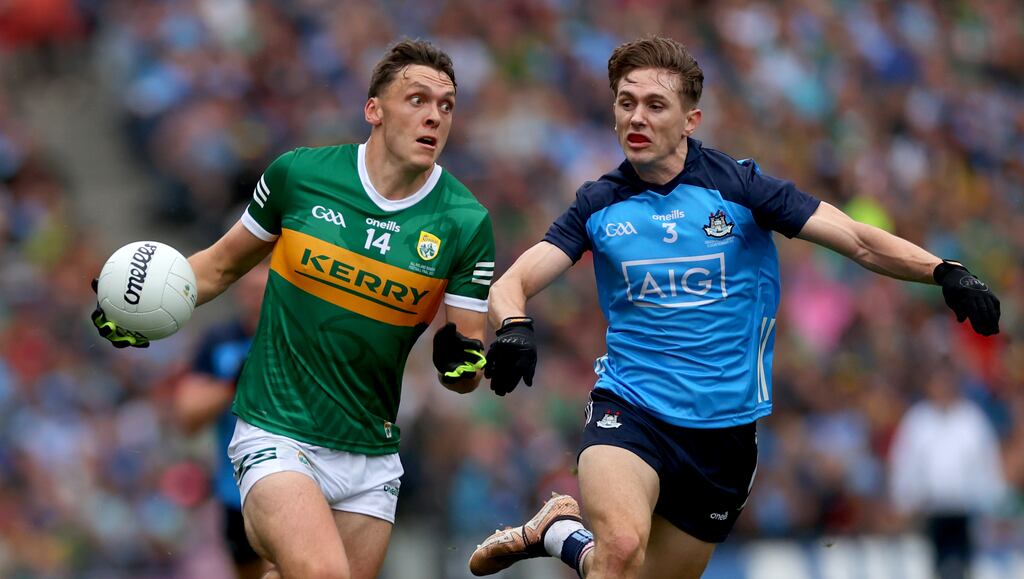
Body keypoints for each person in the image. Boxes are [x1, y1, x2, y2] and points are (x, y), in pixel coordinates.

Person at [468, 36, 1000, 579]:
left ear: (691, 119)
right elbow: (514, 281)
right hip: (630, 409)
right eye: (626, 102)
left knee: (627, 571)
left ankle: (558, 531)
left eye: (655, 105)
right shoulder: (598, 203)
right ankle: (574, 532)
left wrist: (945, 271)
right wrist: (513, 325)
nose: (637, 117)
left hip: (724, 438)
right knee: (622, 550)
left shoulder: (740, 188)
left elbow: (857, 240)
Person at [92, 39, 496, 579]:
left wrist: (464, 363)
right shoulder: (300, 177)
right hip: (276, 430)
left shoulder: (465, 223)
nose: (434, 116)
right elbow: (216, 267)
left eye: (446, 105)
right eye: (417, 99)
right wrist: (134, 305)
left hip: (370, 453)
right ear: (373, 110)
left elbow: (465, 366)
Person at [174, 263, 270, 579]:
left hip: (304, 482)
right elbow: (187, 415)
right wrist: (232, 386)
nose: (255, 292)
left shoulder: (304, 341)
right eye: (249, 284)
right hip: (236, 494)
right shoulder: (219, 341)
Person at [888, 358, 1007, 579]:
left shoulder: (972, 420)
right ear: (929, 385)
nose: (943, 387)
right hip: (928, 516)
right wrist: (904, 503)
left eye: (947, 382)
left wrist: (993, 506)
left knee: (964, 569)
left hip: (965, 514)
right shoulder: (917, 421)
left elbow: (988, 467)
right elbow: (903, 467)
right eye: (938, 382)